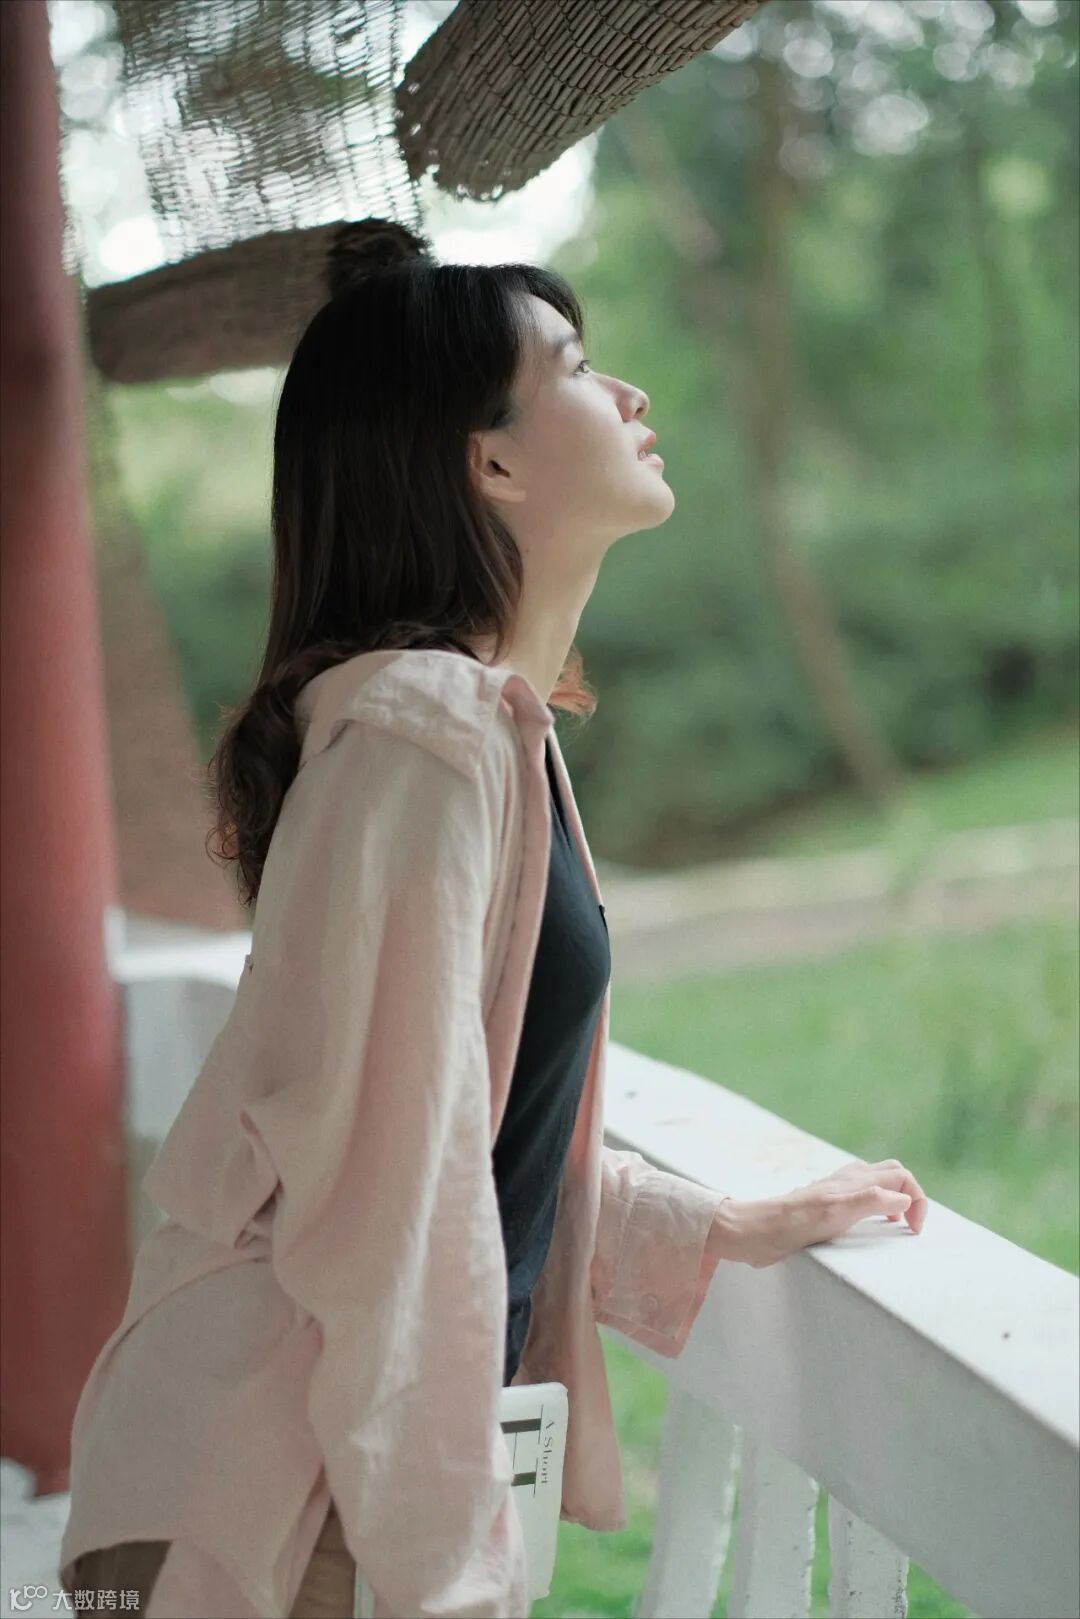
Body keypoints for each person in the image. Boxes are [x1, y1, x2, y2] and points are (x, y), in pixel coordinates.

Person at [59, 219, 927, 1619]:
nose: (630, 394)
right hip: (271, 1503)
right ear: (492, 463)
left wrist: (712, 1223)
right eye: (578, 366)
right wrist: (449, 1581)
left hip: (312, 1477)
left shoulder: (481, 730)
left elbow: (455, 1122)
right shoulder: (427, 731)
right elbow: (381, 1203)